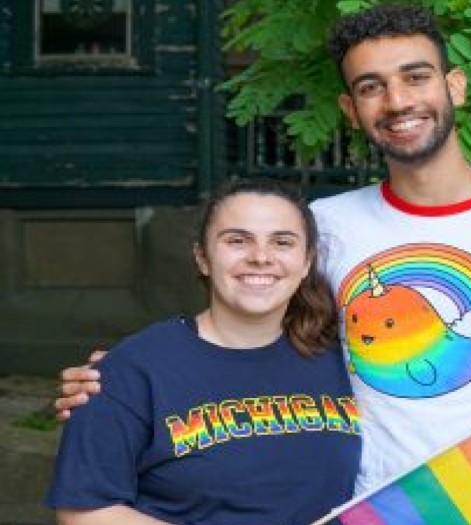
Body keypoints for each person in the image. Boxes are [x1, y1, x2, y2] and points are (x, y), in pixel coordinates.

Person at [55, 3, 471, 525]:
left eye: (416, 76)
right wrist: (121, 388)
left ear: (455, 87)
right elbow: (250, 330)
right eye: (372, 87)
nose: (397, 101)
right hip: (368, 510)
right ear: (351, 110)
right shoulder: (324, 225)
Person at [46, 180, 361, 525]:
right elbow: (83, 512)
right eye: (237, 241)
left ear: (306, 262)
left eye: (282, 242)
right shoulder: (135, 369)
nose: (260, 257)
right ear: (202, 258)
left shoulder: (343, 360)